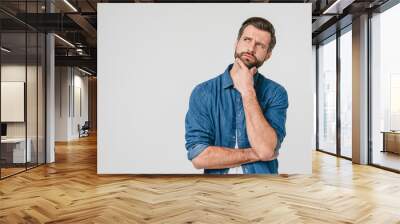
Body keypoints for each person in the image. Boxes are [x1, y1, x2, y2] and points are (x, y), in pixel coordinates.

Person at [185, 17, 288, 174]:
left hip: (262, 189)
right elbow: (199, 157)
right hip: (218, 191)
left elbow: (266, 150)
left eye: (260, 45)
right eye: (247, 40)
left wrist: (248, 91)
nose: (251, 48)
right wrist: (253, 153)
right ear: (236, 43)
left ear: (268, 55)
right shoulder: (203, 92)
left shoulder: (276, 93)